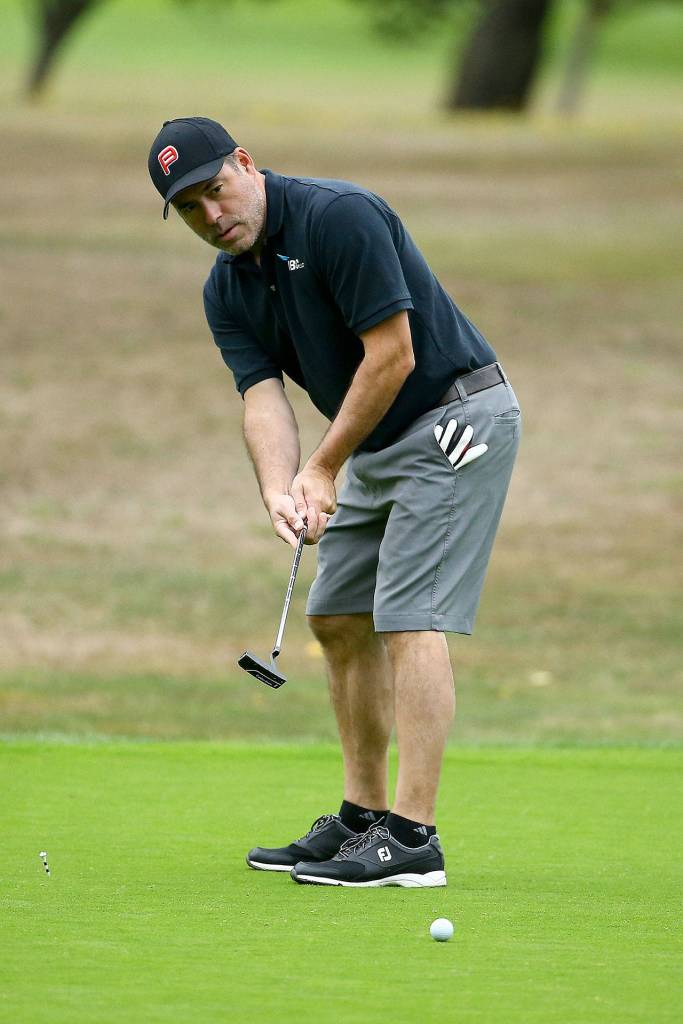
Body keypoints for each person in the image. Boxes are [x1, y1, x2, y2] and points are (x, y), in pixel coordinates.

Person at [148, 117, 521, 888]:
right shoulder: (226, 287)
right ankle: (363, 819)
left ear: (245, 165)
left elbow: (394, 353)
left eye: (215, 191)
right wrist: (280, 488)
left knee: (408, 613)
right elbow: (262, 399)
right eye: (189, 210)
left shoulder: (336, 216)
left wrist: (322, 468)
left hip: (455, 419)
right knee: (338, 616)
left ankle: (413, 839)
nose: (212, 217)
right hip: (380, 442)